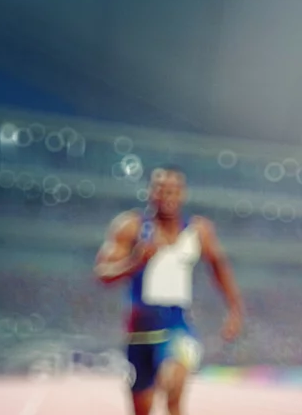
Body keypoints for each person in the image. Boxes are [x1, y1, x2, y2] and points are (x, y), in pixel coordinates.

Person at [94, 165, 246, 415]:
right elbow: (102, 273)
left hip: (178, 325)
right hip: (139, 332)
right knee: (142, 408)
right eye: (161, 190)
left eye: (174, 191)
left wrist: (235, 309)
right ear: (150, 192)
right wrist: (134, 262)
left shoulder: (199, 231)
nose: (167, 196)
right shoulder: (130, 226)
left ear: (182, 194)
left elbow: (219, 266)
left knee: (173, 384)